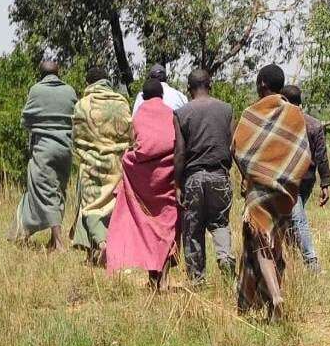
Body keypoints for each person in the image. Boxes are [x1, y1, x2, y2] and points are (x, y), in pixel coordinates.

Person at [232, 64, 312, 322]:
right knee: (276, 242)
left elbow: (238, 149)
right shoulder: (294, 113)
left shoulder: (251, 114)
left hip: (258, 190)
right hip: (285, 191)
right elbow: (302, 152)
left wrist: (252, 174)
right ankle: (269, 303)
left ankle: (275, 296)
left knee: (260, 242)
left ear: (262, 84)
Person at [104, 79, 182, 291]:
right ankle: (164, 278)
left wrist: (127, 162)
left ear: (144, 97)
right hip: (167, 180)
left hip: (143, 183)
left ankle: (153, 278)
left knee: (147, 227)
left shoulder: (138, 116)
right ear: (162, 96)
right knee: (167, 227)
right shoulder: (172, 114)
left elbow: (137, 147)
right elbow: (178, 147)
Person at [175, 69, 236, 284]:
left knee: (193, 228)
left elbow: (180, 152)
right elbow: (233, 147)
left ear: (188, 89)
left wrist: (177, 184)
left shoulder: (181, 113)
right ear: (210, 85)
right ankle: (225, 256)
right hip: (219, 174)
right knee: (220, 223)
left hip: (193, 177)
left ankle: (197, 279)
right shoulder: (226, 109)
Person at [10, 61, 78, 250]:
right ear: (59, 72)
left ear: (40, 74)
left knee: (43, 191)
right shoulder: (70, 91)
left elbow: (25, 119)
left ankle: (57, 241)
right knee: (59, 191)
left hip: (43, 148)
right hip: (65, 148)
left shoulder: (36, 90)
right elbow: (76, 117)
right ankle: (51, 238)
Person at [71, 66, 132, 264]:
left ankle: (100, 244)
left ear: (88, 83)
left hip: (91, 164)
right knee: (113, 208)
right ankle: (111, 249)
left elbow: (76, 137)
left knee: (90, 206)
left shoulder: (83, 105)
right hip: (117, 165)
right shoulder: (122, 103)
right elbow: (131, 133)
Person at [280, 84, 330, 272]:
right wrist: (325, 183)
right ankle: (292, 257)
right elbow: (322, 156)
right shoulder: (314, 123)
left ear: (283, 100)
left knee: (297, 219)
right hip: (308, 178)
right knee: (293, 216)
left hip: (289, 178)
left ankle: (312, 262)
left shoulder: (283, 123)